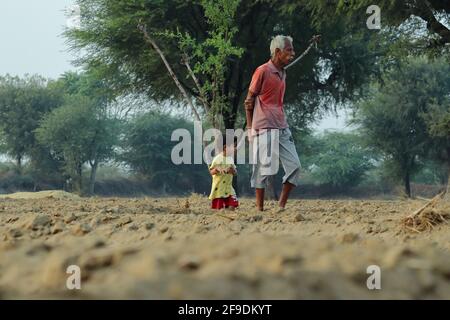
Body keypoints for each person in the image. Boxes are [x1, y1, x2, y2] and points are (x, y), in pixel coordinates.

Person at [244, 35, 301, 212]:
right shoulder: (262, 71)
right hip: (263, 126)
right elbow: (249, 100)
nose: (293, 53)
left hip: (282, 126)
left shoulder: (283, 72)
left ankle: (281, 206)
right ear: (277, 52)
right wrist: (249, 128)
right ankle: (259, 209)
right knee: (261, 169)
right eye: (289, 50)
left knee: (295, 166)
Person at [208, 140, 239, 210]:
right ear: (225, 147)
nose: (235, 148)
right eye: (233, 146)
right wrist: (217, 169)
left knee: (232, 206)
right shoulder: (217, 159)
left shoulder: (230, 159)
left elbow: (235, 172)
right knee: (219, 208)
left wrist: (233, 171)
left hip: (228, 187)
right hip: (219, 188)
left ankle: (231, 216)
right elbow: (211, 171)